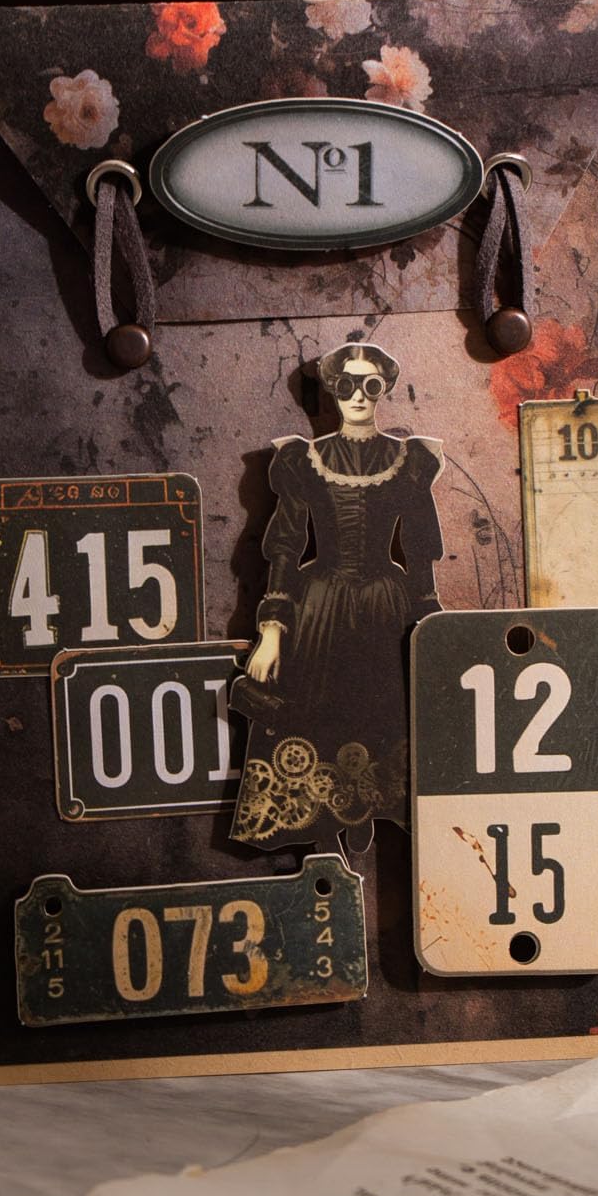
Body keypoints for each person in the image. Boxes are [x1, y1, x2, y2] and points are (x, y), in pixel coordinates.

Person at [230, 342, 444, 855]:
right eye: (347, 385)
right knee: (318, 708)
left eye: (370, 385)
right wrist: (270, 633)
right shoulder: (303, 459)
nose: (358, 396)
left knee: (386, 708)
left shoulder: (409, 460)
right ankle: (325, 821)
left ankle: (372, 812)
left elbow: (420, 551)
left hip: (386, 606)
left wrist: (433, 629)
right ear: (332, 389)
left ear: (384, 389)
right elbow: (285, 547)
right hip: (319, 605)